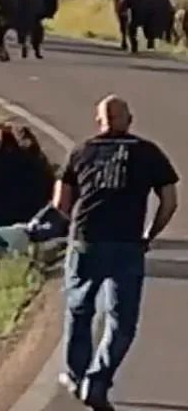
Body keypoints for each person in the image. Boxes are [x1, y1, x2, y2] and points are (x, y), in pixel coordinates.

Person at [53, 95, 179, 411]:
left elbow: (60, 204)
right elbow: (170, 200)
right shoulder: (148, 152)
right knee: (122, 321)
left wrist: (77, 232)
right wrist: (150, 234)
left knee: (79, 310)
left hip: (87, 240)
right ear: (129, 120)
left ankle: (76, 374)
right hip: (127, 243)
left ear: (99, 121)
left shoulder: (81, 151)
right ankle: (97, 382)